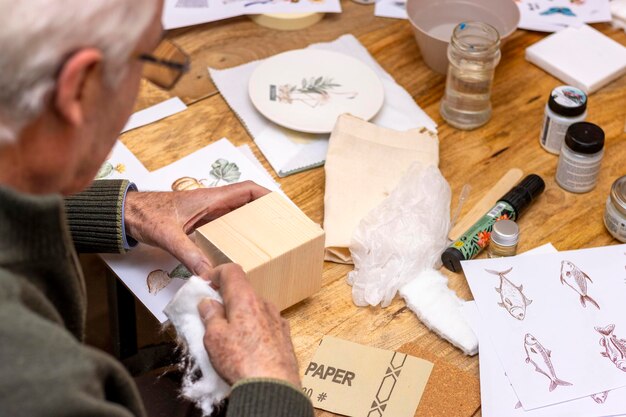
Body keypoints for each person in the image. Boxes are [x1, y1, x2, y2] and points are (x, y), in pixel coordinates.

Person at [0, 0, 314, 416]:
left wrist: (128, 209)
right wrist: (271, 387)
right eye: (146, 58)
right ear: (80, 87)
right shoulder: (39, 381)